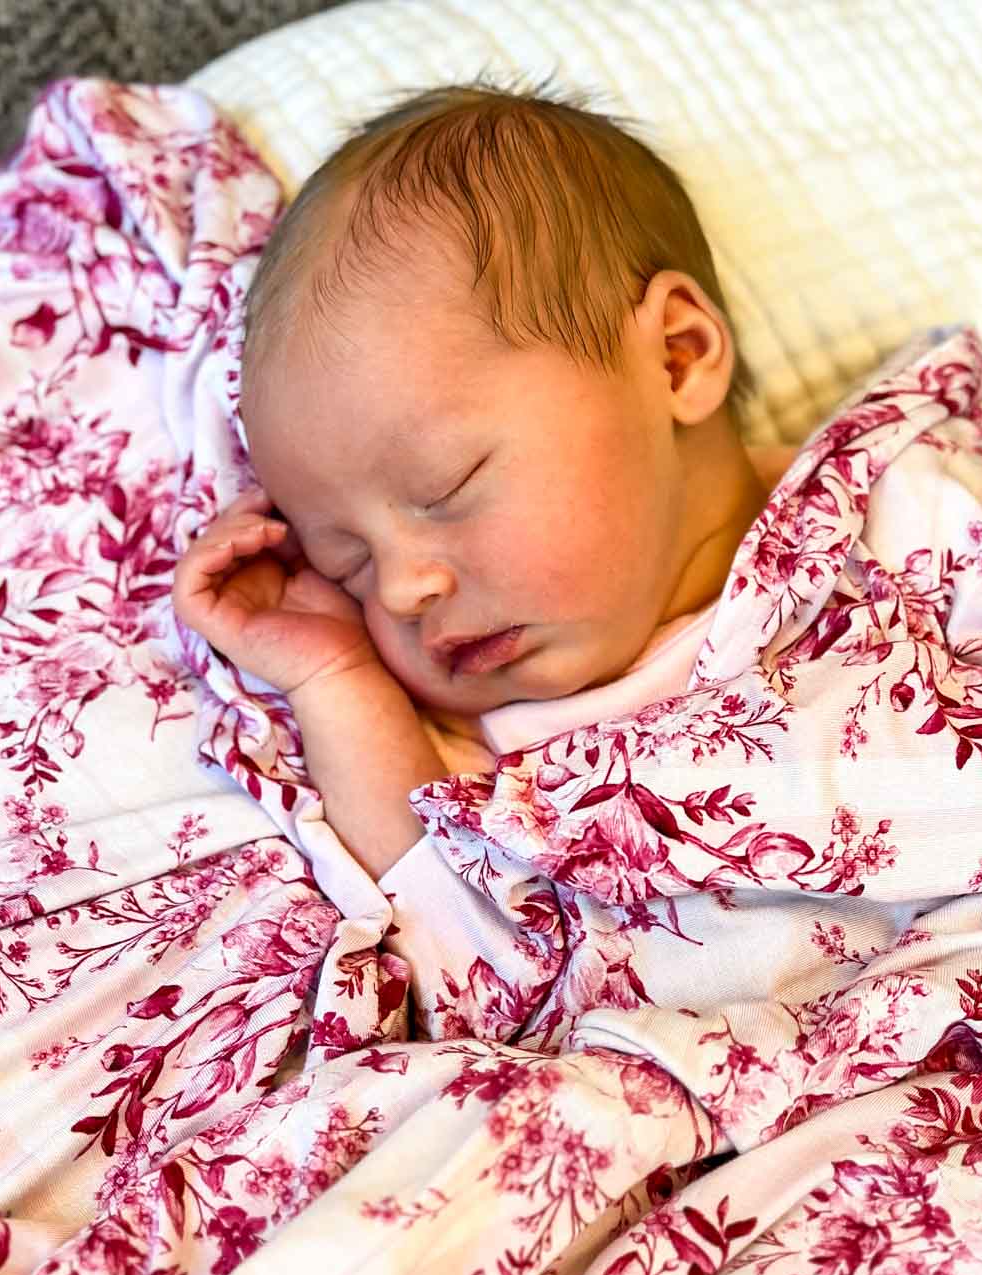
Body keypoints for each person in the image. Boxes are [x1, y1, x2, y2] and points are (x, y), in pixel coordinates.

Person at [171, 80, 796, 892]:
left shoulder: (895, 504)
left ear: (676, 359)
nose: (400, 589)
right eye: (347, 561)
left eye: (445, 487)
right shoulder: (488, 744)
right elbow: (440, 910)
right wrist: (336, 681)